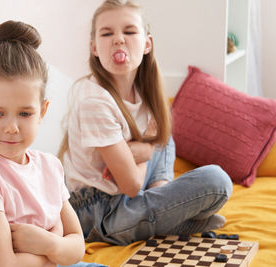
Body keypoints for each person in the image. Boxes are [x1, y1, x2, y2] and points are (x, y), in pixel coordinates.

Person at [58, 0, 233, 246]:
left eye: (129, 31)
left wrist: (142, 154)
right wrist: (146, 151)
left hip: (129, 192)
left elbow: (159, 140)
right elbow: (130, 185)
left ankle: (161, 208)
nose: (118, 39)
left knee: (165, 137)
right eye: (107, 33)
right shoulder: (93, 101)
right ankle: (165, 217)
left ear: (147, 44)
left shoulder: (143, 92)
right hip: (99, 210)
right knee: (217, 182)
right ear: (95, 47)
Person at [0, 20, 91, 267]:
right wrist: (57, 246)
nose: (12, 127)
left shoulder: (49, 166)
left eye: (25, 114)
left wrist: (48, 244)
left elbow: (77, 247)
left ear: (43, 110)